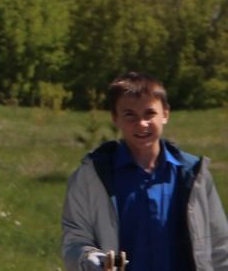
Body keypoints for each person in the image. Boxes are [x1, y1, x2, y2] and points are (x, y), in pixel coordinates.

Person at [61, 71, 228, 271]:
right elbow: (74, 238)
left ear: (165, 114)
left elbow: (219, 245)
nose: (141, 124)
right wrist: (90, 260)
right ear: (115, 118)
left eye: (150, 113)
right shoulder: (92, 175)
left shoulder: (193, 174)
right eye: (130, 115)